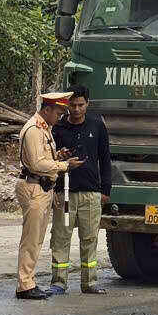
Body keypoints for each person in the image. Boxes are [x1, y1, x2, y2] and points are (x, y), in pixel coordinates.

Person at [14, 92, 83, 301]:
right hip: (34, 186)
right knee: (31, 239)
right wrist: (64, 165)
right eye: (59, 112)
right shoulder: (35, 129)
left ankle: (28, 281)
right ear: (47, 110)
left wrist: (58, 156)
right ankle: (25, 285)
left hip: (41, 187)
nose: (60, 116)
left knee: (35, 239)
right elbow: (36, 164)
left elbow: (43, 158)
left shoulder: (44, 128)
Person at [50, 86, 112, 295]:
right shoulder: (57, 128)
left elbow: (105, 159)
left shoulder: (97, 125)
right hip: (65, 193)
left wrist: (105, 190)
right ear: (66, 104)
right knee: (61, 237)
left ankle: (90, 283)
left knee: (89, 239)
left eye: (81, 105)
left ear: (88, 104)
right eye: (72, 105)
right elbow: (49, 159)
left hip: (91, 194)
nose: (76, 109)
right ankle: (58, 283)